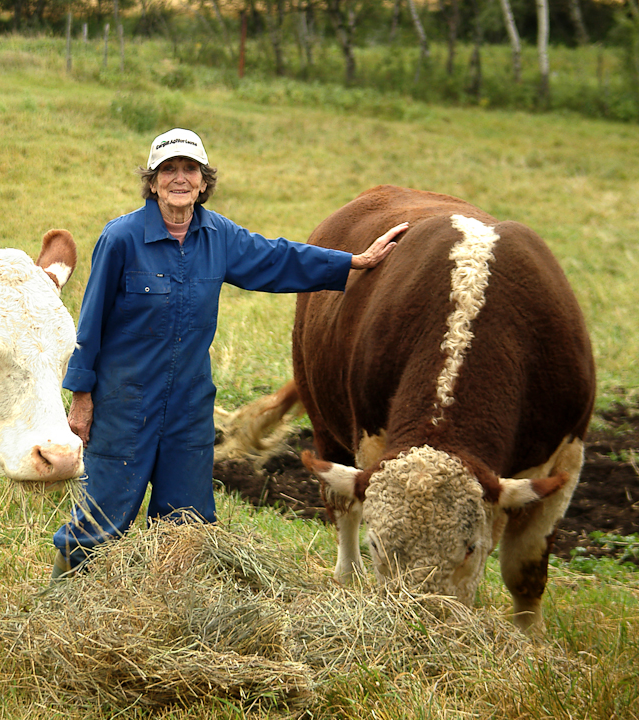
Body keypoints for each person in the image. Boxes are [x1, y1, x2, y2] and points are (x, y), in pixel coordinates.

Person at [52, 128, 407, 579]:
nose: (179, 178)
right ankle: (64, 599)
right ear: (153, 181)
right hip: (126, 403)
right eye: (168, 170)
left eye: (189, 169)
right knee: (102, 518)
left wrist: (352, 262)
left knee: (187, 524)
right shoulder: (121, 238)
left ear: (203, 182)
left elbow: (278, 259)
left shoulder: (218, 236)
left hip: (189, 405)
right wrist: (82, 399)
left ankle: (167, 606)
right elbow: (91, 322)